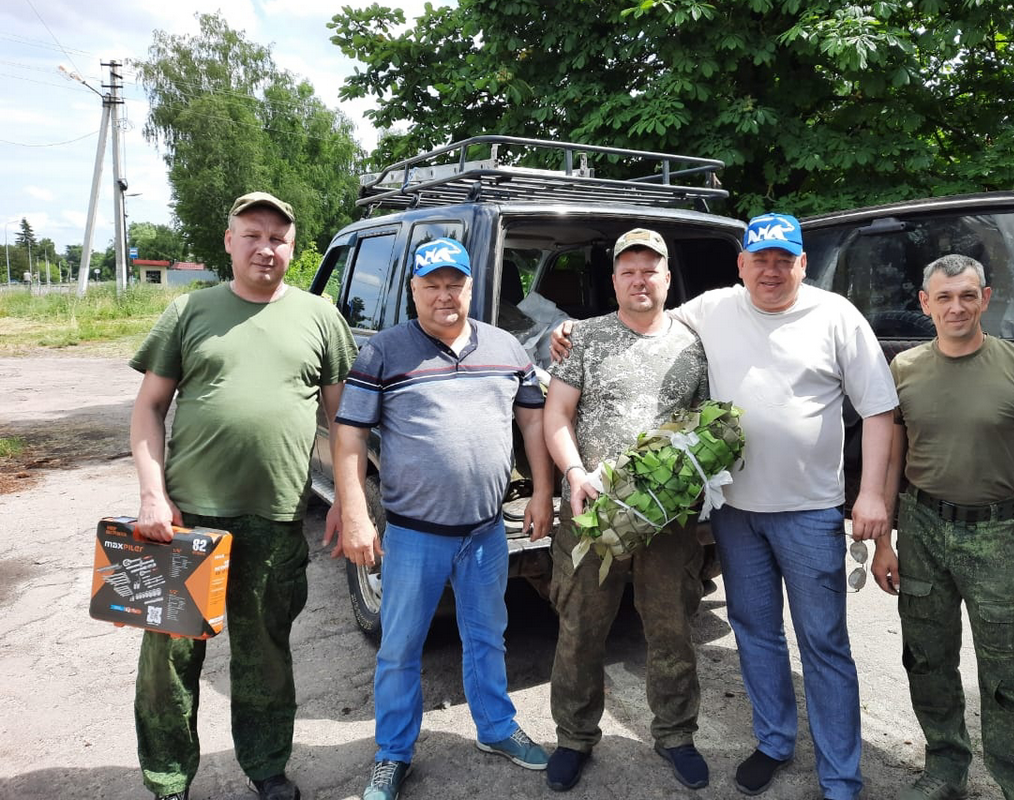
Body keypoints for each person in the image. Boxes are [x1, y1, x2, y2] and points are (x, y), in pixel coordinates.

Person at [552, 213, 897, 800]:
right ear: (740, 266)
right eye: (759, 259)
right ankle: (766, 743)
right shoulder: (691, 315)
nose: (770, 270)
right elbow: (582, 381)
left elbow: (880, 410)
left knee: (815, 643)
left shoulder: (826, 316)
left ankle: (831, 774)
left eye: (783, 259)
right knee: (749, 634)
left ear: (802, 263)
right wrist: (561, 331)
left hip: (798, 512)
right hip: (704, 512)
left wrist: (870, 494)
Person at [128, 191, 358, 800]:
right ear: (229, 242)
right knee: (169, 663)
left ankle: (266, 767)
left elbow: (344, 424)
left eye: (278, 237)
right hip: (187, 522)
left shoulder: (320, 316)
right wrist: (153, 494)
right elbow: (149, 407)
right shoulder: (189, 311)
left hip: (277, 519)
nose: (266, 247)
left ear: (292, 246)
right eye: (251, 234)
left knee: (265, 655)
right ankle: (169, 779)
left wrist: (346, 498)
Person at [331, 237, 555, 800]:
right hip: (413, 535)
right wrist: (356, 511)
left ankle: (496, 729)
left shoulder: (506, 348)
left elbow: (533, 424)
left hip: (485, 534)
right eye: (431, 285)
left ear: (470, 288)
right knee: (401, 647)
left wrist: (541, 492)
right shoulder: (383, 352)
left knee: (488, 637)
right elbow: (351, 434)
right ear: (413, 291)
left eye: (454, 284)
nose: (444, 295)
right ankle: (393, 753)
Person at [871, 254, 1014, 800]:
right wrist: (884, 542)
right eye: (944, 297)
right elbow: (892, 462)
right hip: (921, 528)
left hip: (996, 536)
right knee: (927, 657)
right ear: (925, 304)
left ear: (986, 299)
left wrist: (997, 503)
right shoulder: (905, 368)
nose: (956, 306)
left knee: (1008, 673)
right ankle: (945, 769)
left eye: (967, 295)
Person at [541, 228, 711, 792]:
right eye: (628, 271)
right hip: (594, 513)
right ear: (614, 280)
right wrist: (573, 474)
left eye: (650, 270)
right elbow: (557, 415)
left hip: (668, 519)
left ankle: (677, 734)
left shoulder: (693, 345)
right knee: (581, 626)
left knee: (671, 629)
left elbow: (706, 426)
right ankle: (573, 737)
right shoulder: (583, 339)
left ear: (667, 278)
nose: (640, 280)